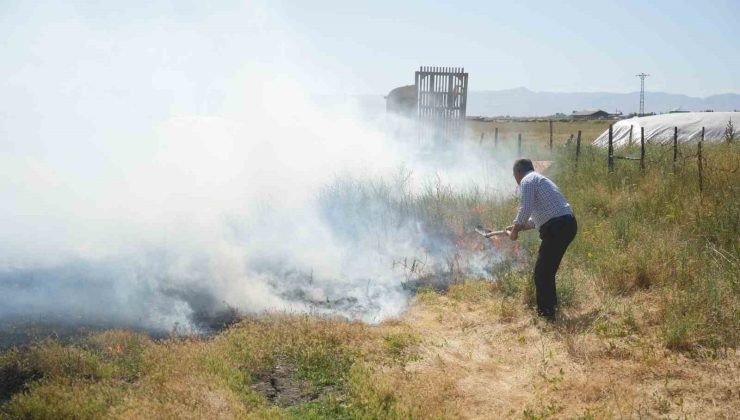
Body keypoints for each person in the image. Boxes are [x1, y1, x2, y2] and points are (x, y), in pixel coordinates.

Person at [506, 158, 577, 321]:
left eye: (514, 176)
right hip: (565, 224)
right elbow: (538, 218)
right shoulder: (538, 180)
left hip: (558, 227)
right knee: (546, 272)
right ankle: (550, 310)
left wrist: (516, 229)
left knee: (542, 272)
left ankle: (546, 315)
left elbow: (525, 207)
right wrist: (520, 226)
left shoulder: (527, 180)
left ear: (517, 173)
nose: (516, 180)